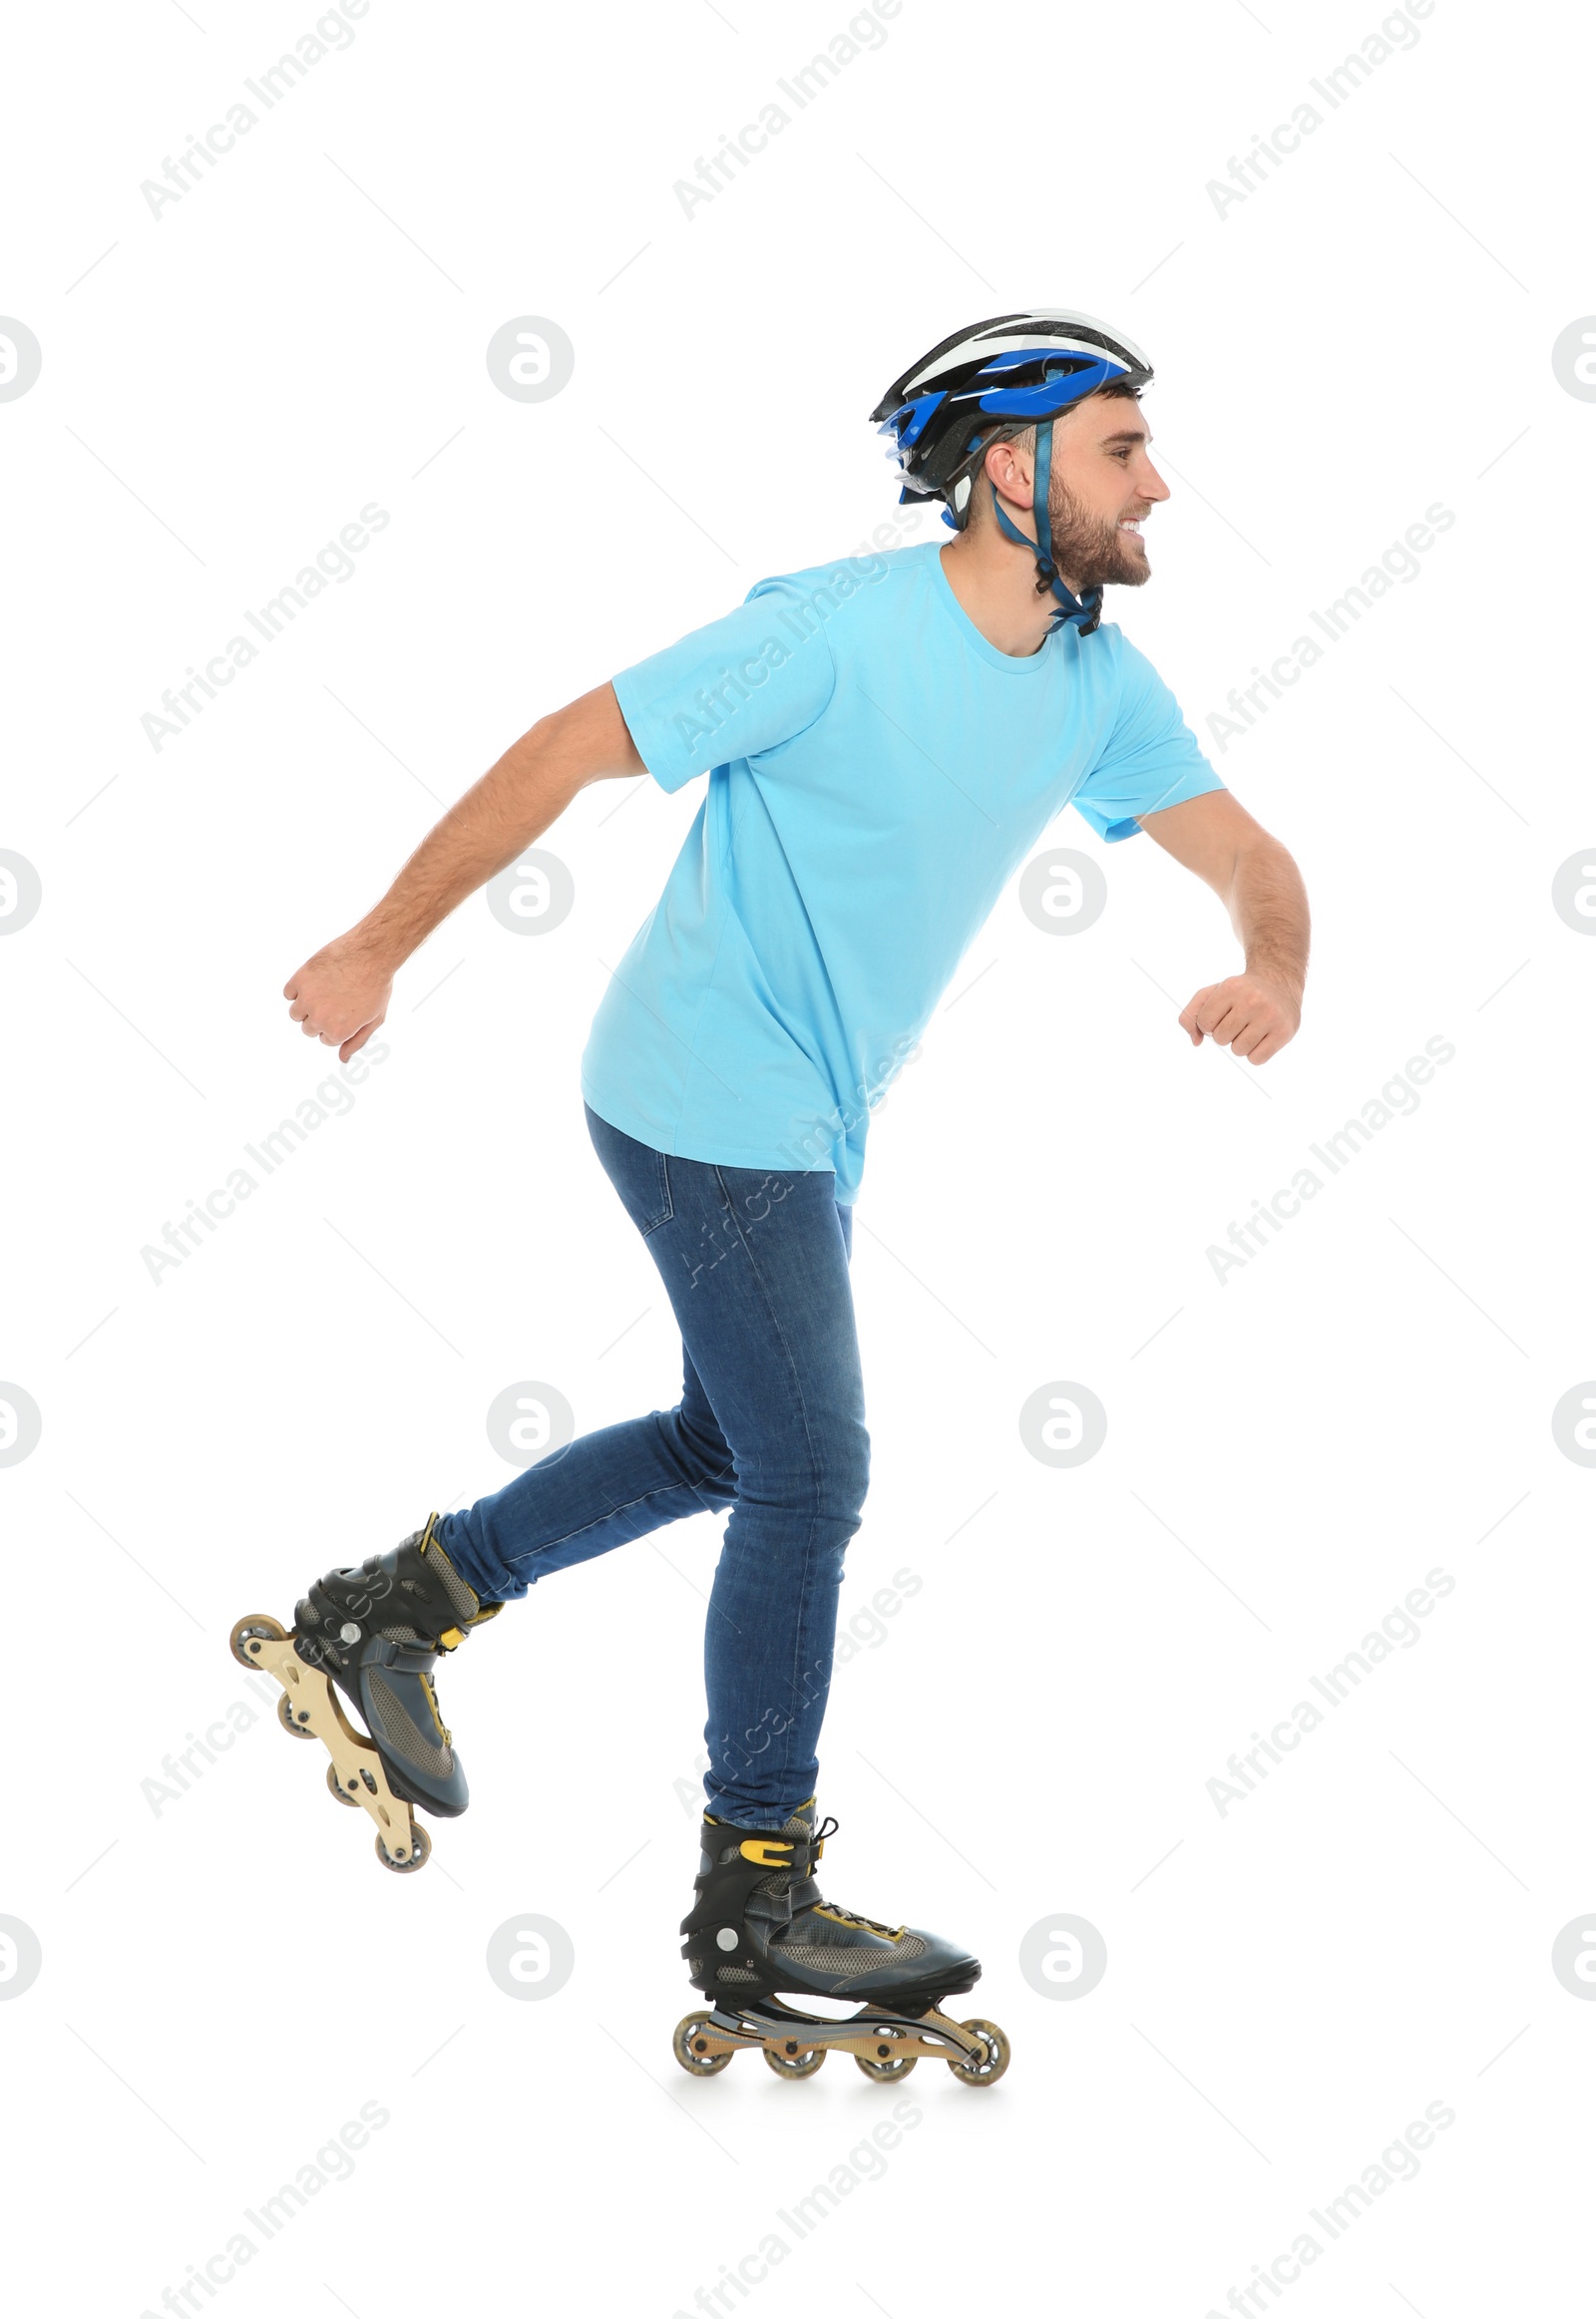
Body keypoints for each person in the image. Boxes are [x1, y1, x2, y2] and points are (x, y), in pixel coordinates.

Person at [265, 311, 1309, 2069]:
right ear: (1007, 467)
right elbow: (560, 746)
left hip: (808, 1122)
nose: (1160, 484)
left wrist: (1275, 965)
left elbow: (1249, 853)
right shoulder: (833, 629)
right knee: (812, 1467)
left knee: (730, 1443)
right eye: (1122, 449)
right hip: (698, 1090)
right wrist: (375, 945)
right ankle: (753, 1889)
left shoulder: (1095, 686)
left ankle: (395, 1607)